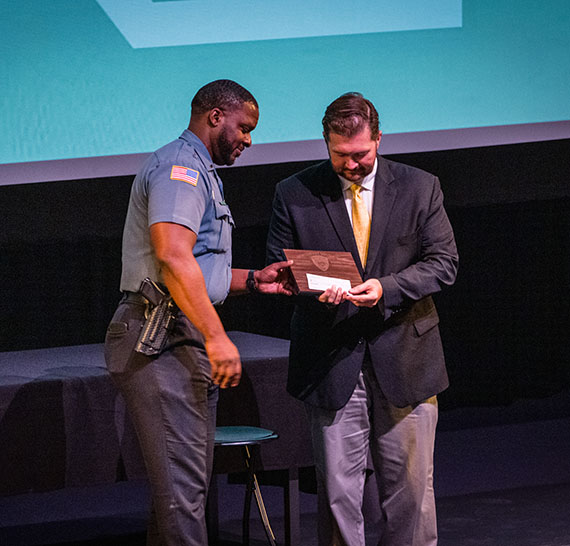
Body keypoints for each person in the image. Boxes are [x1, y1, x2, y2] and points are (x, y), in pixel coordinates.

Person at [104, 79, 293, 546]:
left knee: (181, 492)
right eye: (244, 127)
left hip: (177, 334)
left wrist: (253, 279)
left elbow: (197, 267)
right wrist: (217, 336)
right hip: (160, 335)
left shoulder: (200, 170)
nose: (249, 139)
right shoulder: (181, 168)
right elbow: (172, 257)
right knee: (181, 497)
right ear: (214, 117)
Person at [266, 92, 458, 546]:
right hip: (331, 358)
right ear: (325, 143)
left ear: (379, 139)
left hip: (406, 356)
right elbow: (279, 269)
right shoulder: (294, 192)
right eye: (341, 156)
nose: (352, 165)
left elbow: (443, 263)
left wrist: (385, 288)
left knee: (411, 493)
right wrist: (315, 290)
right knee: (337, 494)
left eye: (361, 155)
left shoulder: (419, 186)